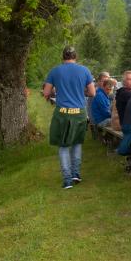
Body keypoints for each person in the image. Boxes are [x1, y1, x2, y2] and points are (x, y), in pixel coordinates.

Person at [43, 46, 95, 189]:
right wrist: (80, 90)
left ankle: (67, 180)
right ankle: (76, 174)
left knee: (64, 145)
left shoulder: (55, 71)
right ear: (75, 56)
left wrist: (55, 90)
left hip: (63, 113)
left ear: (63, 57)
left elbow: (46, 92)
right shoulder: (84, 70)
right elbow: (92, 93)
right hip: (79, 112)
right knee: (77, 143)